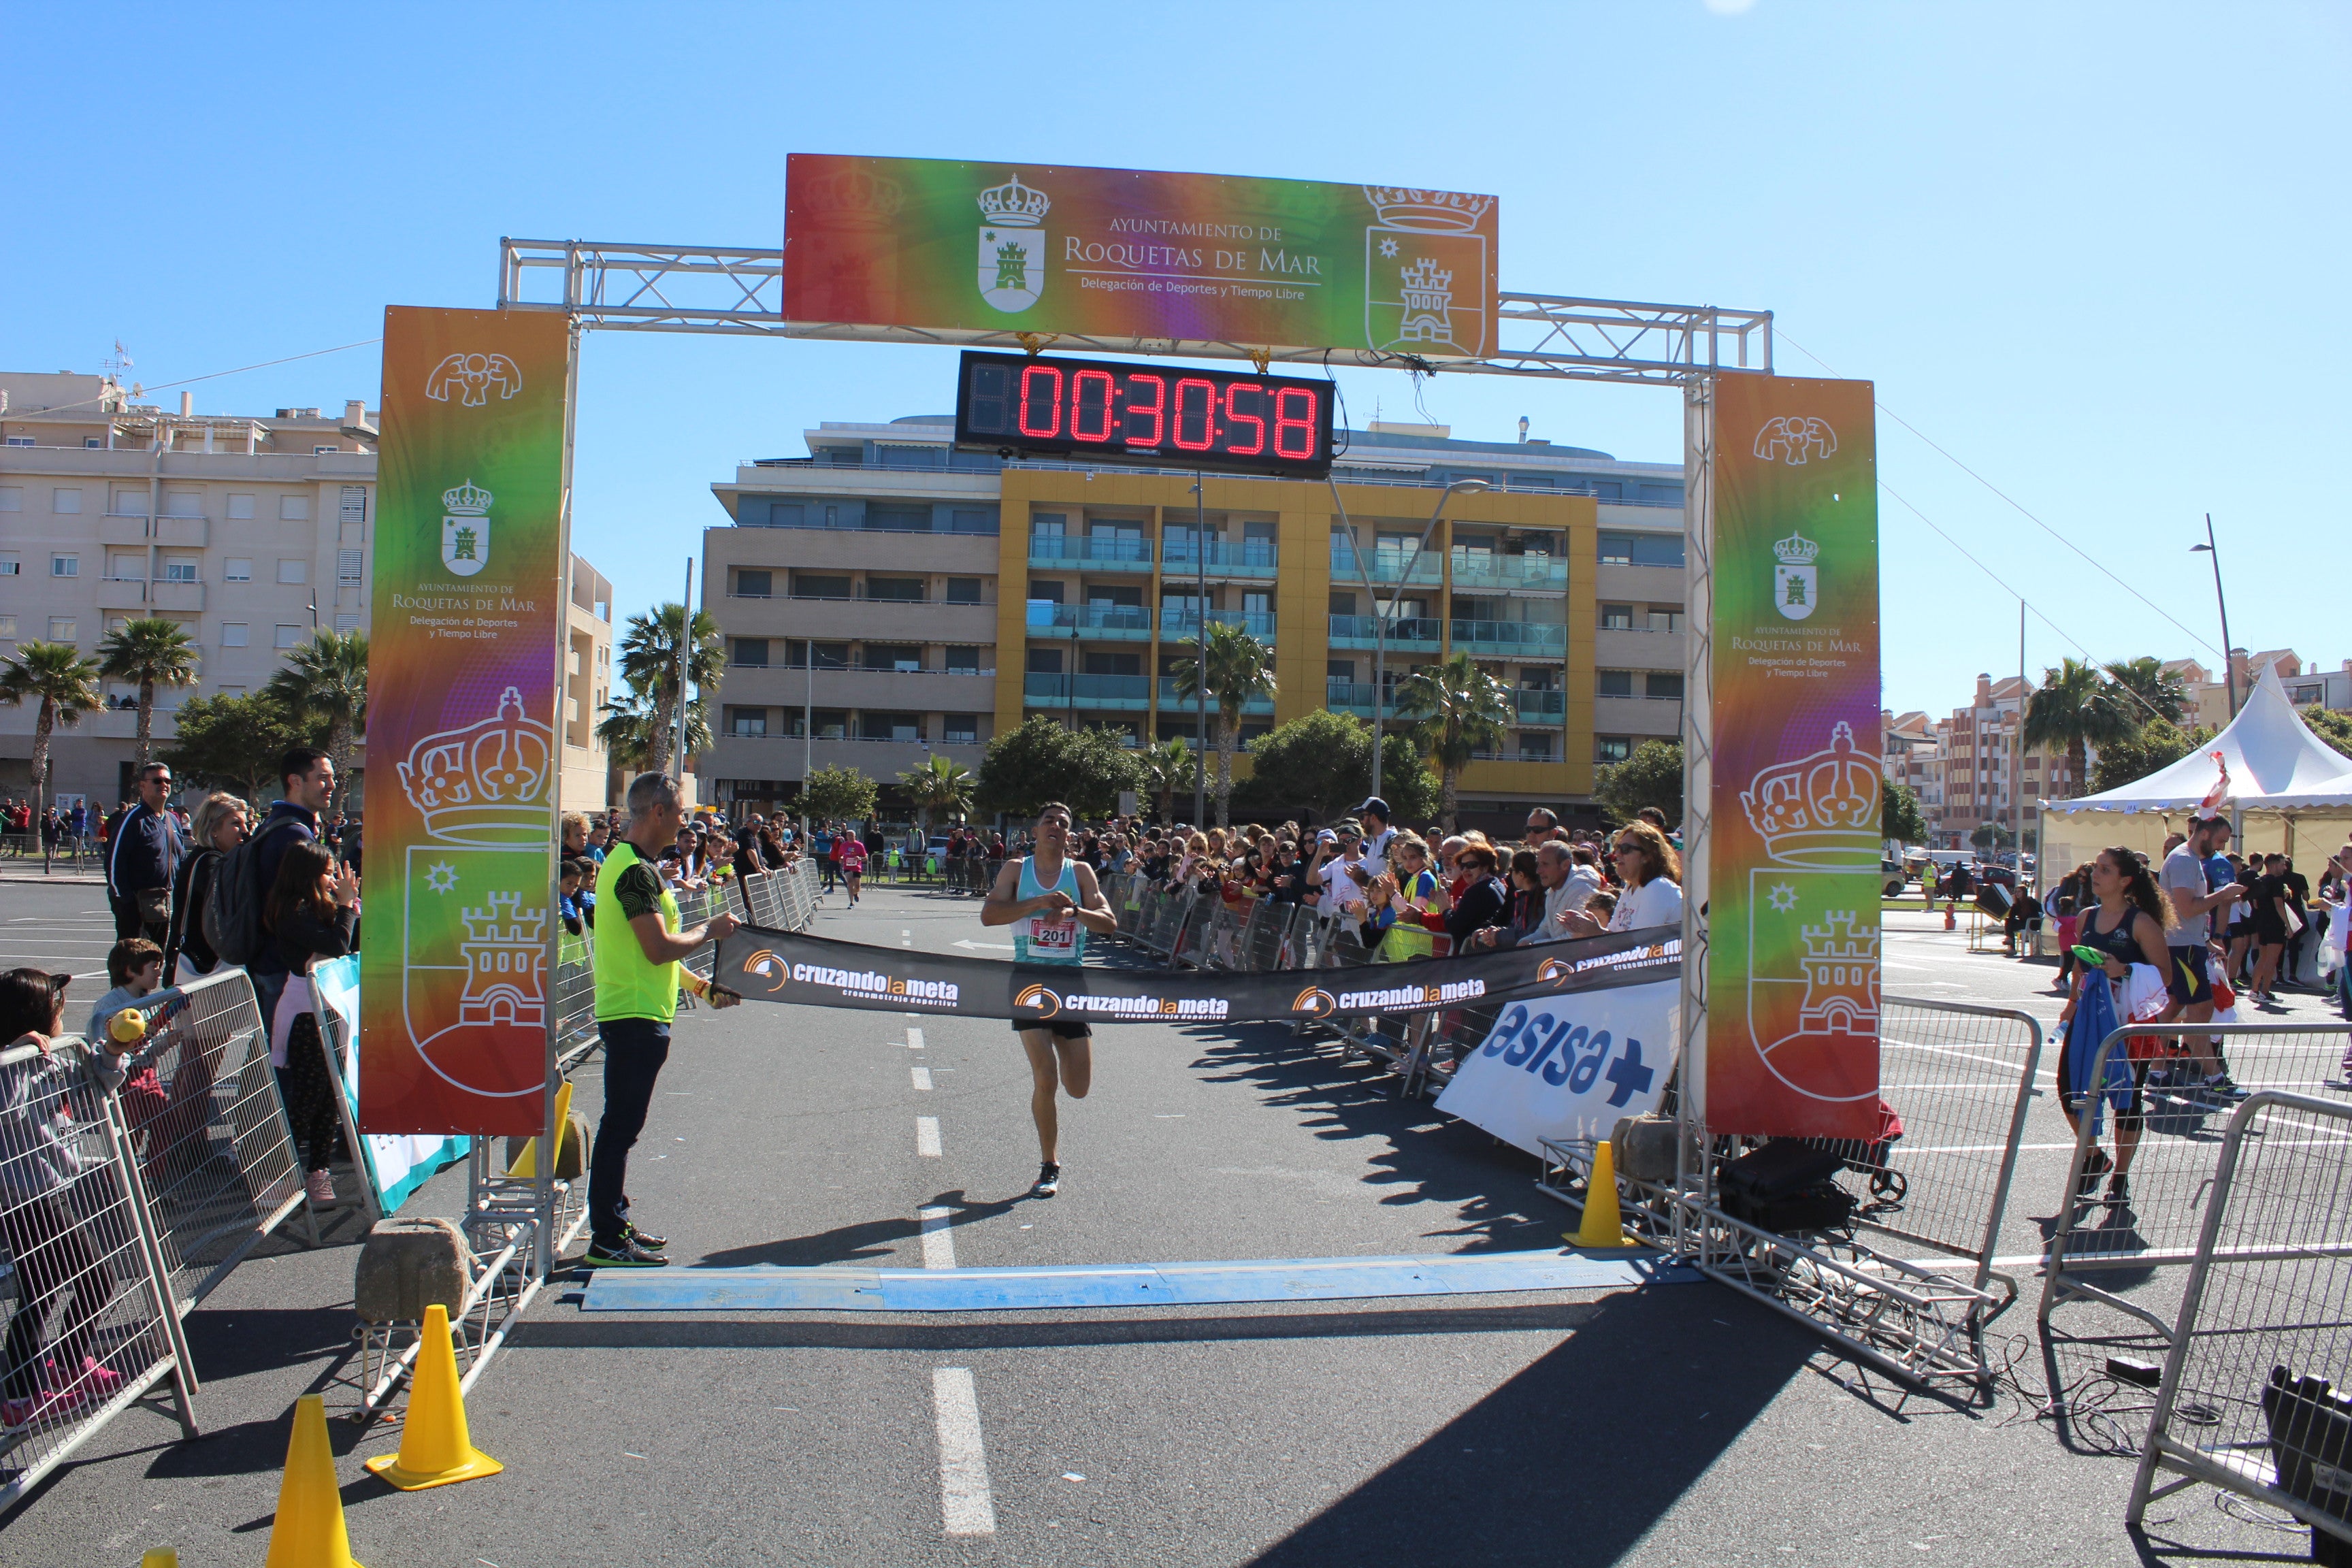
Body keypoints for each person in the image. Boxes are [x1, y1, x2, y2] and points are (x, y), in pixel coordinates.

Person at [583, 775, 742, 1269]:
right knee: (620, 1129)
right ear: (655, 811)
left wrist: (702, 989)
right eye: (678, 812)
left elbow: (658, 956)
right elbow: (658, 949)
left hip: (641, 1013)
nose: (686, 822)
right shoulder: (633, 871)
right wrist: (709, 931)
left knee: (624, 1127)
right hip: (632, 1016)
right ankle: (607, 1237)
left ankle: (615, 1222)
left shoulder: (638, 867)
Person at [0, 968, 140, 1428]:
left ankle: (66, 1362)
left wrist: (114, 1053)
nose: (64, 1012)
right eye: (58, 1005)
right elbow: (9, 1106)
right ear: (36, 1014)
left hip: (54, 1189)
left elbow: (93, 1089)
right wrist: (19, 1055)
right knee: (60, 1287)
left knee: (69, 1284)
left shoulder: (58, 1052)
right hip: (25, 1198)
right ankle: (21, 1395)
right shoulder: (13, 1064)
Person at [981, 802, 1119, 1199]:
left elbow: (1109, 922)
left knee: (1078, 1088)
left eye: (1063, 823)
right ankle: (1049, 1164)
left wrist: (1074, 911)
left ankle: (1063, 1042)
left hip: (1070, 983)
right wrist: (1038, 904)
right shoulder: (1015, 869)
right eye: (1049, 821)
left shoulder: (1080, 872)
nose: (1056, 827)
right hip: (1028, 983)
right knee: (1046, 1076)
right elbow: (989, 915)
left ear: (1070, 835)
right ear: (1036, 830)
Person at [2054, 847, 2182, 1205]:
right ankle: (2094, 1156)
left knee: (2127, 1100)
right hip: (2090, 1018)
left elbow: (2167, 976)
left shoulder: (2140, 922)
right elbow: (2080, 965)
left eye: (2106, 870)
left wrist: (2124, 970)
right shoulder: (2086, 917)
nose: (2096, 874)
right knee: (2069, 1088)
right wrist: (2072, 1004)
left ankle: (2121, 1177)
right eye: (2096, 867)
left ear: (2125, 880)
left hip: (2130, 1024)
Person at [263, 840, 359, 1205]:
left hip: (332, 1009)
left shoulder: (323, 906)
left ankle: (318, 1170)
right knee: (305, 1098)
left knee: (329, 1099)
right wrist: (347, 908)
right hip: (305, 1013)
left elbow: (348, 939)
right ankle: (279, 1172)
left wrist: (349, 907)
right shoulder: (292, 910)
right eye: (327, 871)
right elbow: (337, 944)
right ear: (307, 874)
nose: (334, 878)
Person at [244, 748, 334, 1032]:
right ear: (295, 781)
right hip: (283, 966)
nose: (331, 785)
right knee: (282, 1059)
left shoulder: (277, 823)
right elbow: (299, 908)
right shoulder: (294, 834)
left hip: (269, 960)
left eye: (332, 778)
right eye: (322, 778)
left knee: (271, 1055)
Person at [2161, 814, 2247, 1096]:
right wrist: (2223, 895)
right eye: (2221, 840)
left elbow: (2182, 910)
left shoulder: (2188, 859)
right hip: (2182, 948)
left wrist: (2206, 941)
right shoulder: (2185, 859)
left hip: (2186, 944)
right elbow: (2186, 908)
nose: (2221, 847)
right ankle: (2214, 1078)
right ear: (2206, 834)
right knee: (2201, 1010)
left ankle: (2154, 1067)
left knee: (2172, 1010)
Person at [164, 792, 248, 985]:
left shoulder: (209, 857)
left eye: (246, 823)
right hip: (202, 967)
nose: (244, 831)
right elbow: (226, 905)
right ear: (214, 829)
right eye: (236, 824)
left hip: (199, 964)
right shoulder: (210, 862)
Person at [105, 762, 184, 944]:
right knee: (135, 962)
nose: (164, 785)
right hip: (136, 902)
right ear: (142, 786)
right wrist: (126, 902)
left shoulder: (173, 821)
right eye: (157, 781)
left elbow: (181, 860)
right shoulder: (133, 820)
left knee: (156, 958)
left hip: (162, 902)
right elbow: (114, 862)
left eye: (167, 780)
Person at [1563, 821, 1684, 937]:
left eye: (1626, 849)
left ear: (1648, 856)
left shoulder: (1659, 888)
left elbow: (1639, 943)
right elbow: (1615, 934)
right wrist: (1587, 928)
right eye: (1617, 847)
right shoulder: (1631, 887)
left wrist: (1596, 932)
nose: (1617, 854)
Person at [2247, 853, 2293, 1007]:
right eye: (2282, 864)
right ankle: (2264, 991)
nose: (2284, 867)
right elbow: (2279, 905)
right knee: (2272, 959)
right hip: (2274, 924)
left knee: (2263, 957)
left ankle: (2254, 990)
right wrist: (2288, 925)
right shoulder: (2276, 883)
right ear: (2273, 865)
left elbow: (2255, 904)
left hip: (2261, 923)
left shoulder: (2258, 881)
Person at [837, 829, 868, 907]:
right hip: (847, 867)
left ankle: (855, 893)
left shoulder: (859, 845)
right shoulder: (843, 845)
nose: (850, 837)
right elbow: (840, 855)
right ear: (846, 836)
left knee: (857, 887)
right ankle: (851, 903)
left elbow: (865, 857)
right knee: (850, 883)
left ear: (855, 836)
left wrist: (860, 858)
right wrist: (841, 859)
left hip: (857, 868)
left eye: (852, 836)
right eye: (849, 835)